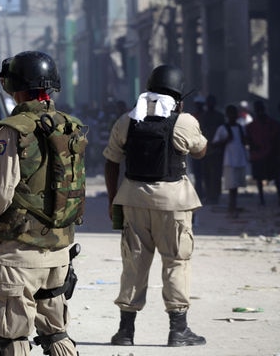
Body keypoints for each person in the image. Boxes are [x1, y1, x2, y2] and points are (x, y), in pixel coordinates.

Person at [0, 51, 80, 356]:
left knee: (13, 336)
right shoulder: (67, 125)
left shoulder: (13, 128)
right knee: (56, 332)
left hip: (19, 251)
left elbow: (2, 190)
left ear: (15, 86)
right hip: (59, 250)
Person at [104, 64, 207, 347]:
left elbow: (111, 161)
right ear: (178, 97)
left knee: (133, 264)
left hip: (133, 201)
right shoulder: (184, 121)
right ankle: (178, 330)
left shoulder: (127, 120)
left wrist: (114, 200)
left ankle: (125, 331)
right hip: (174, 202)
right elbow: (200, 151)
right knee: (176, 262)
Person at [211, 105, 248, 218]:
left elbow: (244, 141)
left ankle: (233, 206)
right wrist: (226, 140)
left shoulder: (241, 127)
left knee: (236, 186)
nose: (233, 116)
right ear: (227, 115)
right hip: (229, 160)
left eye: (235, 114)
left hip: (240, 159)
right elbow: (214, 143)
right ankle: (231, 207)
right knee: (231, 186)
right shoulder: (223, 128)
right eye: (231, 114)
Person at [245, 100, 280, 206]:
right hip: (259, 156)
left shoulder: (273, 124)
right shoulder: (251, 126)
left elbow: (276, 138)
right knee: (260, 179)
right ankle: (262, 199)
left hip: (270, 155)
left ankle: (279, 198)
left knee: (275, 177)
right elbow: (249, 141)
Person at [199, 95, 225, 204]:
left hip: (217, 149)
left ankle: (216, 196)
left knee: (217, 174)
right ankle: (209, 195)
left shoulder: (220, 117)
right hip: (206, 149)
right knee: (207, 174)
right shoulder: (203, 117)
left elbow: (223, 132)